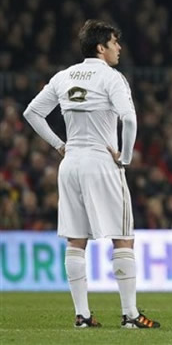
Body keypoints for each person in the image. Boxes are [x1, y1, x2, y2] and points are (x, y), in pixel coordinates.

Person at [23, 19, 160, 329]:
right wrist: (124, 157)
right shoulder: (112, 78)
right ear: (101, 48)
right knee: (123, 238)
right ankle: (129, 315)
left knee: (76, 241)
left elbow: (31, 113)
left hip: (70, 163)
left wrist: (59, 145)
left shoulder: (63, 76)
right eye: (115, 43)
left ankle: (82, 316)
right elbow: (129, 118)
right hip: (102, 162)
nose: (119, 48)